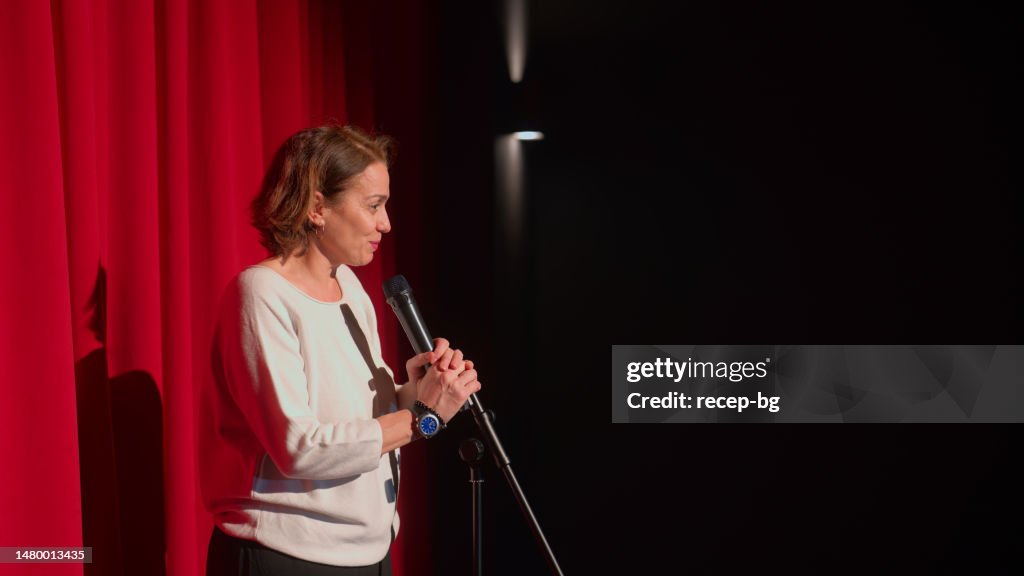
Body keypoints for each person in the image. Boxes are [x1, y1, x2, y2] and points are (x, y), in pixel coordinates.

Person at [199, 124, 482, 575]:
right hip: (288, 555)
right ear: (316, 207)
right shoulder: (261, 293)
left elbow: (362, 421)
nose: (386, 223)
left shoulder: (349, 285)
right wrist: (422, 418)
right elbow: (299, 448)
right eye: (373, 205)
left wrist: (422, 391)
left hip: (368, 552)